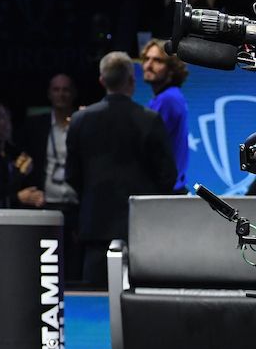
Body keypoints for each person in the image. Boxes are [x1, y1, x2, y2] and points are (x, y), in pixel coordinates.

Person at [66, 51, 177, 285]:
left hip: (95, 226)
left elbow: (72, 175)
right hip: (139, 228)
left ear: (102, 81)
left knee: (93, 306)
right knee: (139, 303)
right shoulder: (149, 119)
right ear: (131, 80)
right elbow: (167, 176)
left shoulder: (79, 120)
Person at [21, 72, 82, 278]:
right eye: (56, 90)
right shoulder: (35, 125)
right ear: (49, 94)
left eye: (66, 90)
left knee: (74, 269)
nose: (61, 94)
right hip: (46, 204)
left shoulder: (82, 124)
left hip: (76, 205)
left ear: (73, 93)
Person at [140, 39, 190, 193]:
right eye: (146, 59)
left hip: (165, 193)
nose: (148, 65)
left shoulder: (168, 99)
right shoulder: (165, 98)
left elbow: (146, 145)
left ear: (171, 69)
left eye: (157, 61)